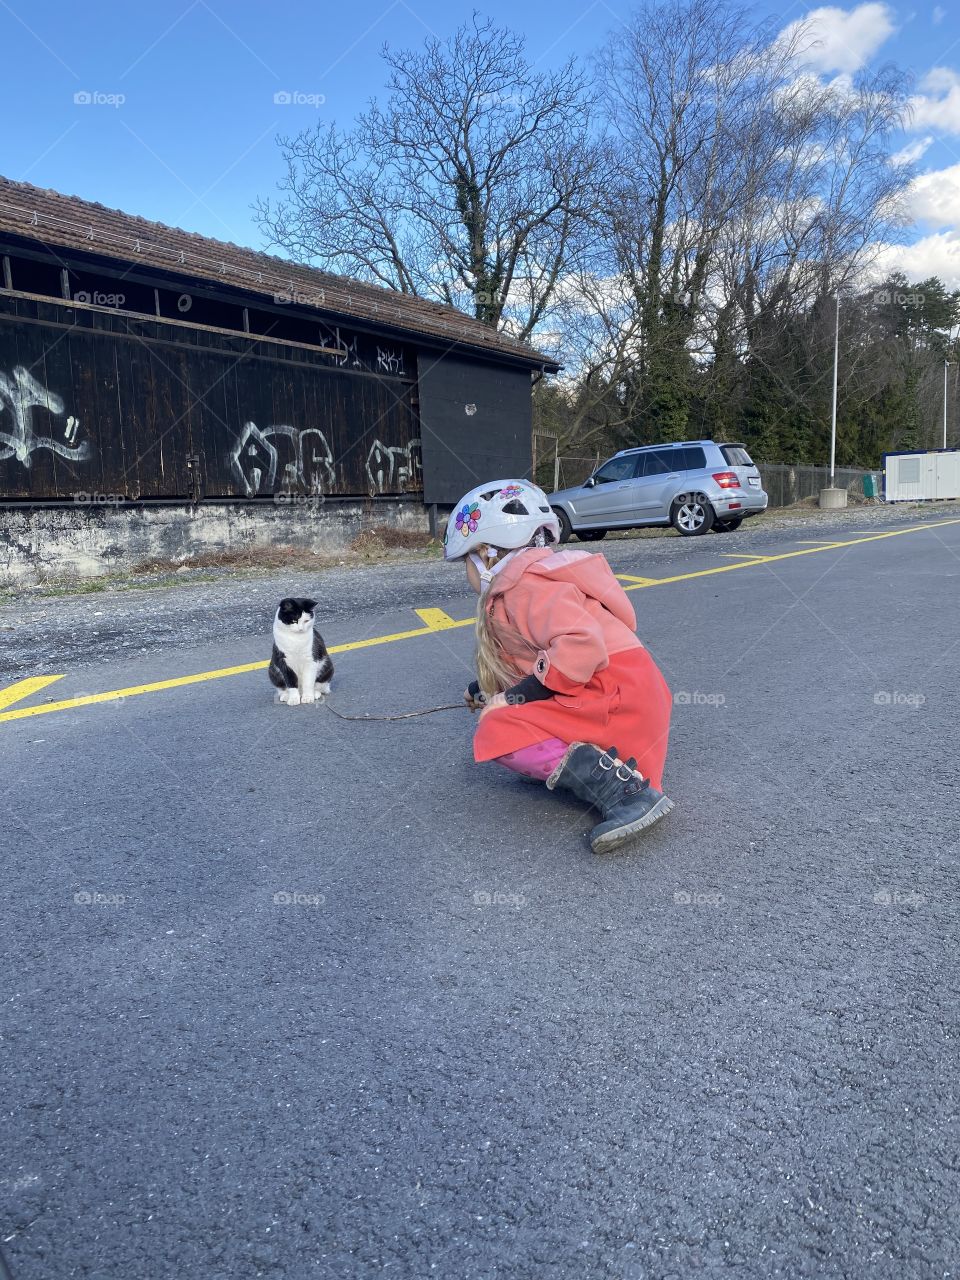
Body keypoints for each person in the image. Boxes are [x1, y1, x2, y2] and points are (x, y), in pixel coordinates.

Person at [443, 479, 674, 854]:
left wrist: (511, 699)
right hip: (626, 691)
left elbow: (581, 647)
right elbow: (541, 660)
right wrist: (486, 689)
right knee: (506, 708)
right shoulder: (538, 576)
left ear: (486, 555)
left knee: (497, 727)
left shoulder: (525, 586)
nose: (465, 576)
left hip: (616, 697)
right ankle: (578, 763)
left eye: (464, 563)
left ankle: (626, 794)